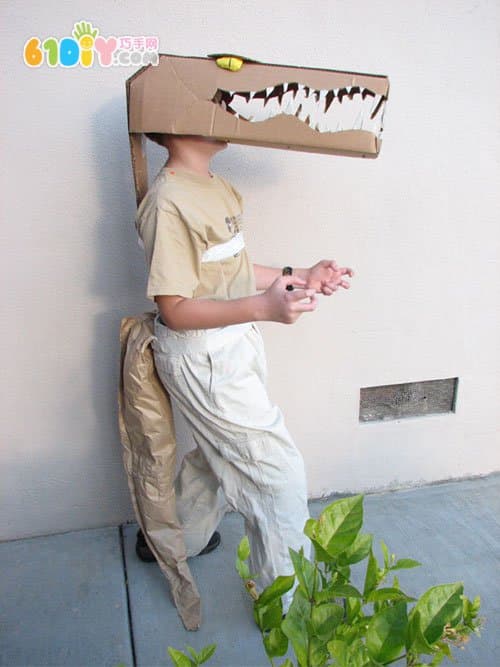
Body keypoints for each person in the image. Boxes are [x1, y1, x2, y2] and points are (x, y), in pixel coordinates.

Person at [134, 133, 353, 609]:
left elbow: (227, 269)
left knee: (221, 453)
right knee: (276, 475)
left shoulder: (216, 187)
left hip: (231, 346)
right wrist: (263, 308)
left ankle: (173, 538)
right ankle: (286, 606)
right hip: (204, 355)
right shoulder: (168, 201)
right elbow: (174, 308)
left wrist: (298, 276)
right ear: (177, 122)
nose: (229, 111)